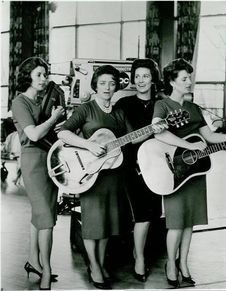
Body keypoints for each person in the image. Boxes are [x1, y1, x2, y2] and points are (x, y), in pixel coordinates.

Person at [151, 58, 226, 288]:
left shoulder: (194, 108)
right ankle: (170, 264)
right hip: (174, 172)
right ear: (172, 81)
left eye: (190, 77)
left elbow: (210, 137)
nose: (189, 82)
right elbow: (160, 134)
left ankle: (184, 264)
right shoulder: (163, 105)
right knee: (176, 222)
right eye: (184, 78)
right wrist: (189, 146)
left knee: (190, 222)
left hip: (196, 172)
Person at [58, 65, 133, 290]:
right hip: (90, 174)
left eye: (112, 83)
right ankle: (94, 266)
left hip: (114, 173)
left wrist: (153, 129)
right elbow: (63, 132)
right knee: (93, 223)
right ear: (95, 85)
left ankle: (99, 263)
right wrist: (88, 144)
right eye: (103, 83)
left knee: (108, 222)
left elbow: (131, 138)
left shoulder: (119, 112)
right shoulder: (86, 109)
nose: (108, 87)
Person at [12, 57, 65, 290]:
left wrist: (60, 122)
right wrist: (54, 118)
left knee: (43, 214)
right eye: (39, 75)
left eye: (45, 74)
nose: (44, 79)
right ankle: (47, 269)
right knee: (46, 220)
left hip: (51, 159)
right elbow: (33, 135)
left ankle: (34, 261)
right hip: (33, 161)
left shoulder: (43, 101)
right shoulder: (20, 102)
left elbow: (52, 131)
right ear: (28, 77)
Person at [115, 58, 165, 282]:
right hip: (130, 166)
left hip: (158, 164)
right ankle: (140, 259)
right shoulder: (124, 104)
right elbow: (122, 136)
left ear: (153, 78)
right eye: (137, 76)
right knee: (142, 214)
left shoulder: (162, 103)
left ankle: (139, 252)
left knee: (152, 213)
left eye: (145, 76)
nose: (141, 80)